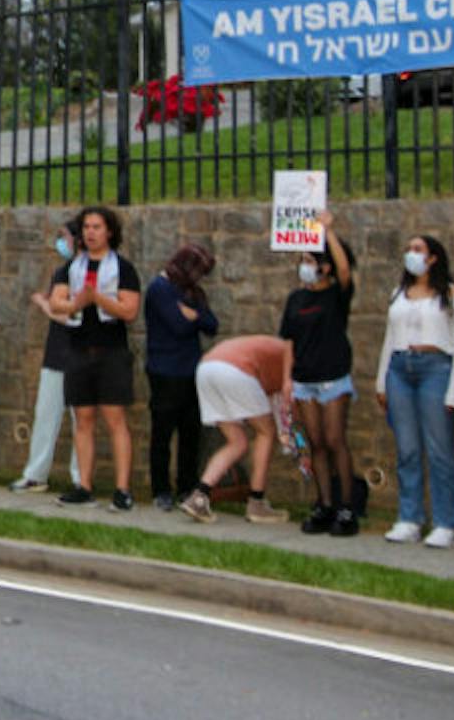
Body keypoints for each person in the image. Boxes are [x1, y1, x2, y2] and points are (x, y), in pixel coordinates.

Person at [376, 234, 454, 548]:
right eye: (408, 249)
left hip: (436, 368)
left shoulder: (453, 295)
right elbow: (390, 339)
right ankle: (409, 517)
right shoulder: (399, 294)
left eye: (417, 250)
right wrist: (382, 381)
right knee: (407, 448)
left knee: (439, 449)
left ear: (433, 257)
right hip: (400, 368)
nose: (411, 254)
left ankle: (446, 522)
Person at [47, 206, 142, 511]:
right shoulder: (71, 267)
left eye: (96, 227)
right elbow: (56, 302)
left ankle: (122, 489)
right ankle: (84, 486)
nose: (90, 232)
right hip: (78, 350)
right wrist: (77, 301)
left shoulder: (123, 268)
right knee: (83, 420)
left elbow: (129, 310)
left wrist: (97, 298)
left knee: (115, 420)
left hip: (111, 351)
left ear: (109, 232)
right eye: (86, 227)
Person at [279, 212, 359, 536]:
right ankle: (324, 502)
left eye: (310, 260)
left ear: (323, 266)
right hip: (304, 380)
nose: (305, 266)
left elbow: (344, 270)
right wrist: (287, 379)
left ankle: (347, 507)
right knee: (316, 443)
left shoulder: (334, 295)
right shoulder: (296, 299)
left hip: (333, 377)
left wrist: (327, 231)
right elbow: (288, 341)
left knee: (335, 439)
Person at [179, 334, 293, 525]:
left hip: (206, 368)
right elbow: (286, 404)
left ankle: (199, 497)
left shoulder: (275, 352)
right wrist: (290, 439)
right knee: (266, 432)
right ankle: (257, 502)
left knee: (238, 442)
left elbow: (276, 400)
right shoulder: (295, 358)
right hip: (234, 370)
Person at [143, 242, 218, 510]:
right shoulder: (159, 289)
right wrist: (192, 317)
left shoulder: (191, 293)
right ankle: (160, 489)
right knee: (162, 434)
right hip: (165, 371)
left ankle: (186, 486)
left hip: (191, 371)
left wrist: (193, 314)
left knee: (191, 433)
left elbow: (211, 324)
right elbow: (178, 326)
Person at [15, 215, 84, 494]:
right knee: (46, 415)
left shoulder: (78, 273)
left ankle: (81, 478)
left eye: (64, 236)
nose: (60, 242)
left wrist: (44, 304)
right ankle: (36, 473)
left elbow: (68, 314)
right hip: (57, 354)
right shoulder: (64, 271)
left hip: (78, 355)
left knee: (81, 420)